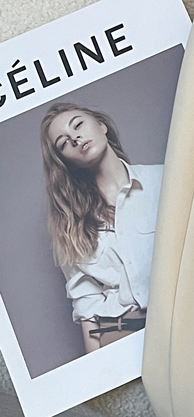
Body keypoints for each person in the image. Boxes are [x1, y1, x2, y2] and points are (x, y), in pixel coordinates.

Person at [39, 101, 163, 354]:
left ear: (101, 125)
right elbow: (86, 301)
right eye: (63, 143)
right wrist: (97, 368)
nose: (75, 138)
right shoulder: (71, 223)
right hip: (120, 331)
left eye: (78, 125)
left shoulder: (163, 180)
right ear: (65, 160)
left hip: (180, 317)